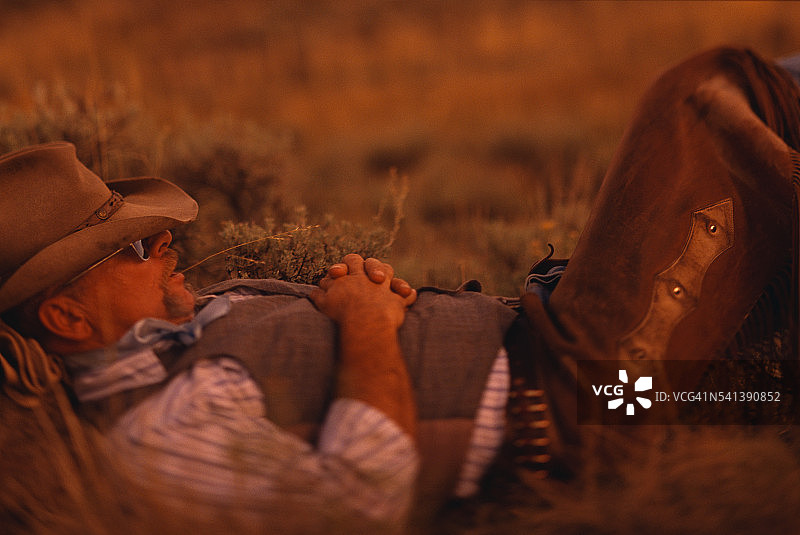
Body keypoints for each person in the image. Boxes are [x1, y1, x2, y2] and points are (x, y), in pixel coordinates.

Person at [2, 45, 800, 534]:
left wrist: (354, 292)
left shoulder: (174, 347)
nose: (167, 241)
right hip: (583, 399)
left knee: (746, 116)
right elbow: (354, 506)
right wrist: (370, 325)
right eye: (136, 247)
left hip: (562, 338)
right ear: (67, 312)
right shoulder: (155, 438)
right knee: (704, 99)